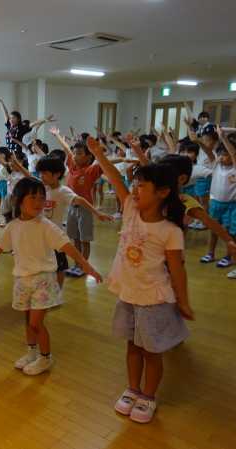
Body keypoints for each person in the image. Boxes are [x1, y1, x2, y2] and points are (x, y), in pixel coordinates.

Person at [87, 136, 193, 424]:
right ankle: (133, 389)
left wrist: (183, 302)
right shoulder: (131, 209)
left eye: (142, 186)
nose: (134, 189)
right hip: (129, 295)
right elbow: (113, 177)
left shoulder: (170, 231)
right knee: (132, 346)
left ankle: (148, 396)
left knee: (152, 352)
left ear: (163, 192)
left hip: (153, 299)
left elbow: (178, 271)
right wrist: (98, 154)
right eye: (134, 184)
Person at [0, 177, 101, 375]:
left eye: (41, 198)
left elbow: (67, 246)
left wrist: (86, 265)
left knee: (36, 323)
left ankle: (45, 358)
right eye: (33, 197)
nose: (39, 202)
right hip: (22, 279)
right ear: (18, 200)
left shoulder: (46, 225)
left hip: (43, 280)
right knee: (28, 320)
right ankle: (32, 352)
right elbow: (0, 245)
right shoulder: (13, 226)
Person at [35, 155, 111, 286]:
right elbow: (29, 179)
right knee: (45, 266)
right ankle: (47, 287)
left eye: (45, 173)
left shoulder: (63, 191)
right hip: (43, 238)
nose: (41, 176)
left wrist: (97, 213)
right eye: (40, 173)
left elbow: (80, 200)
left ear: (56, 174)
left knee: (59, 268)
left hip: (56, 238)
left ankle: (58, 290)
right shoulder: (43, 188)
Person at [50, 128, 111, 277]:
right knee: (75, 238)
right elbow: (66, 148)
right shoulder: (73, 165)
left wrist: (100, 150)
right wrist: (57, 135)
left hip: (85, 209)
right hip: (72, 207)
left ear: (89, 157)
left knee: (84, 240)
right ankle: (78, 264)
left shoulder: (91, 169)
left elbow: (106, 161)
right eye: (75, 153)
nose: (75, 156)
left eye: (79, 154)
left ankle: (84, 266)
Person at [196, 127, 236, 270]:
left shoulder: (234, 167)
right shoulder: (216, 165)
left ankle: (228, 256)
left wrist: (223, 137)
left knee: (230, 233)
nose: (222, 157)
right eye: (221, 154)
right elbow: (208, 151)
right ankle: (210, 253)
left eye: (226, 155)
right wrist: (198, 140)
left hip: (232, 205)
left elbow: (233, 153)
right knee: (214, 230)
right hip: (215, 203)